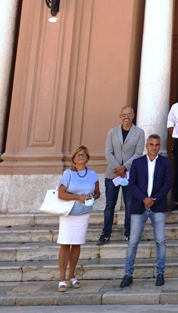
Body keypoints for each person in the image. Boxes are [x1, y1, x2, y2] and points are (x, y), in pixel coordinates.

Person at [120, 134, 171, 288]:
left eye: (156, 145)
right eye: (151, 144)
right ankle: (128, 274)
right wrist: (144, 199)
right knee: (133, 241)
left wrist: (154, 198)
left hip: (158, 205)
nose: (154, 147)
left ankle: (160, 273)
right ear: (146, 146)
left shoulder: (165, 162)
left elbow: (167, 183)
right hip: (139, 206)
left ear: (159, 146)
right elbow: (132, 184)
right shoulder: (137, 163)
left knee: (160, 241)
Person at [54, 145, 101, 292]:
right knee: (65, 244)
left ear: (87, 158)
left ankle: (71, 276)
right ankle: (62, 278)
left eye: (84, 154)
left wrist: (91, 197)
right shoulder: (68, 174)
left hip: (84, 213)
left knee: (77, 244)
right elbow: (61, 194)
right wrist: (78, 197)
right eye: (78, 155)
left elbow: (98, 193)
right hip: (69, 213)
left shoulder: (93, 174)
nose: (81, 157)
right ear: (73, 159)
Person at [99, 106, 145, 244]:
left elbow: (138, 153)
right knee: (109, 205)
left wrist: (125, 167)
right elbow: (108, 152)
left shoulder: (139, 132)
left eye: (129, 114)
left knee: (130, 205)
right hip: (112, 175)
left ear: (133, 116)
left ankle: (129, 233)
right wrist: (118, 168)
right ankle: (106, 233)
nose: (126, 117)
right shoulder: (112, 132)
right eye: (124, 115)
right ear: (120, 116)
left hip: (130, 175)